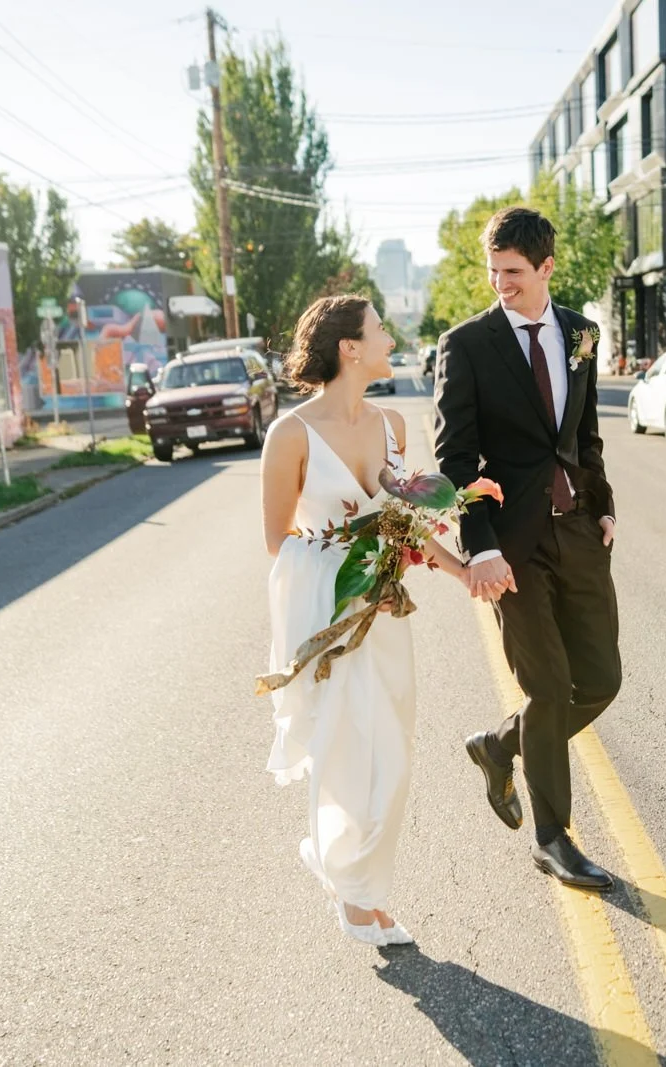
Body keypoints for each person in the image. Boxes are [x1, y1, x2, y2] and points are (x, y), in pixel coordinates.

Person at [261, 295, 468, 945]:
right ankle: (358, 894)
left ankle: (349, 872)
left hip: (383, 612)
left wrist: (462, 570)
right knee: (346, 751)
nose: (390, 339)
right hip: (329, 617)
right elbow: (277, 540)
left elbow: (405, 517)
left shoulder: (391, 425)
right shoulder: (289, 434)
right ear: (350, 348)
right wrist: (345, 560)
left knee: (394, 757)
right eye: (380, 329)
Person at [432, 207, 622, 891]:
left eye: (513, 271)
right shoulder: (466, 345)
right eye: (494, 271)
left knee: (600, 681)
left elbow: (585, 433)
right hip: (510, 547)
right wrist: (479, 546)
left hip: (579, 531)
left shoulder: (581, 334)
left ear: (546, 267)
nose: (500, 283)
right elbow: (455, 459)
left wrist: (603, 503)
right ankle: (552, 839)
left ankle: (498, 745)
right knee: (546, 689)